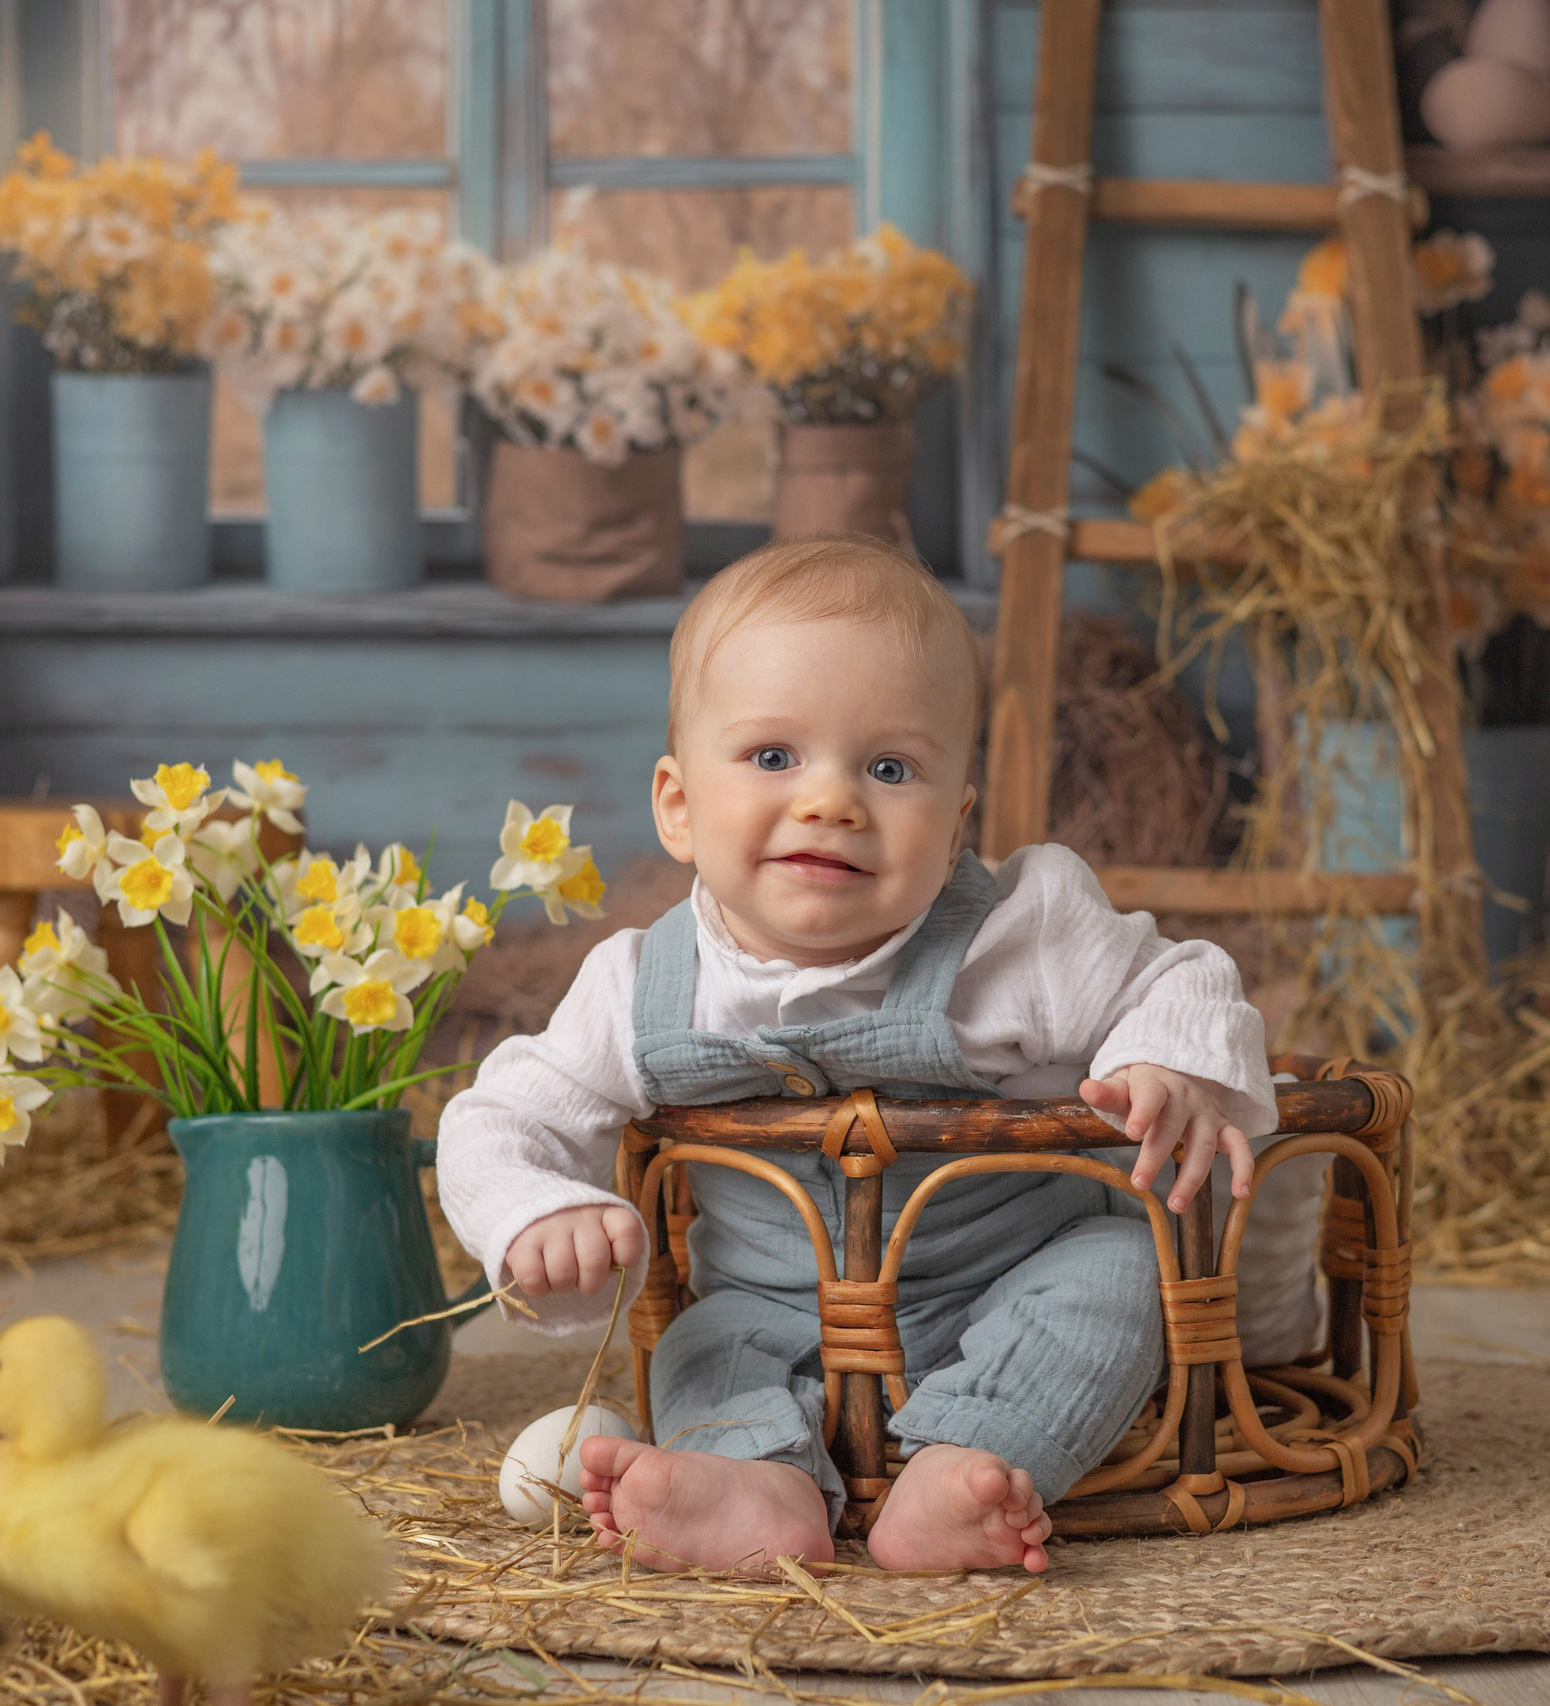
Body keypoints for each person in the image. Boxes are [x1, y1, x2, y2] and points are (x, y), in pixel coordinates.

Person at [437, 534, 1276, 1575]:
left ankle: (967, 1466)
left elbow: (1184, 975)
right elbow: (496, 1117)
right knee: (701, 1344)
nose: (830, 798)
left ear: (958, 819)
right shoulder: (639, 983)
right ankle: (760, 1485)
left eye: (889, 766)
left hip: (1008, 1273)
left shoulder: (1018, 932)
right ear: (679, 805)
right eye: (773, 756)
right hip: (774, 1305)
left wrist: (1169, 1061)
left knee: (1120, 1276)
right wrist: (534, 1208)